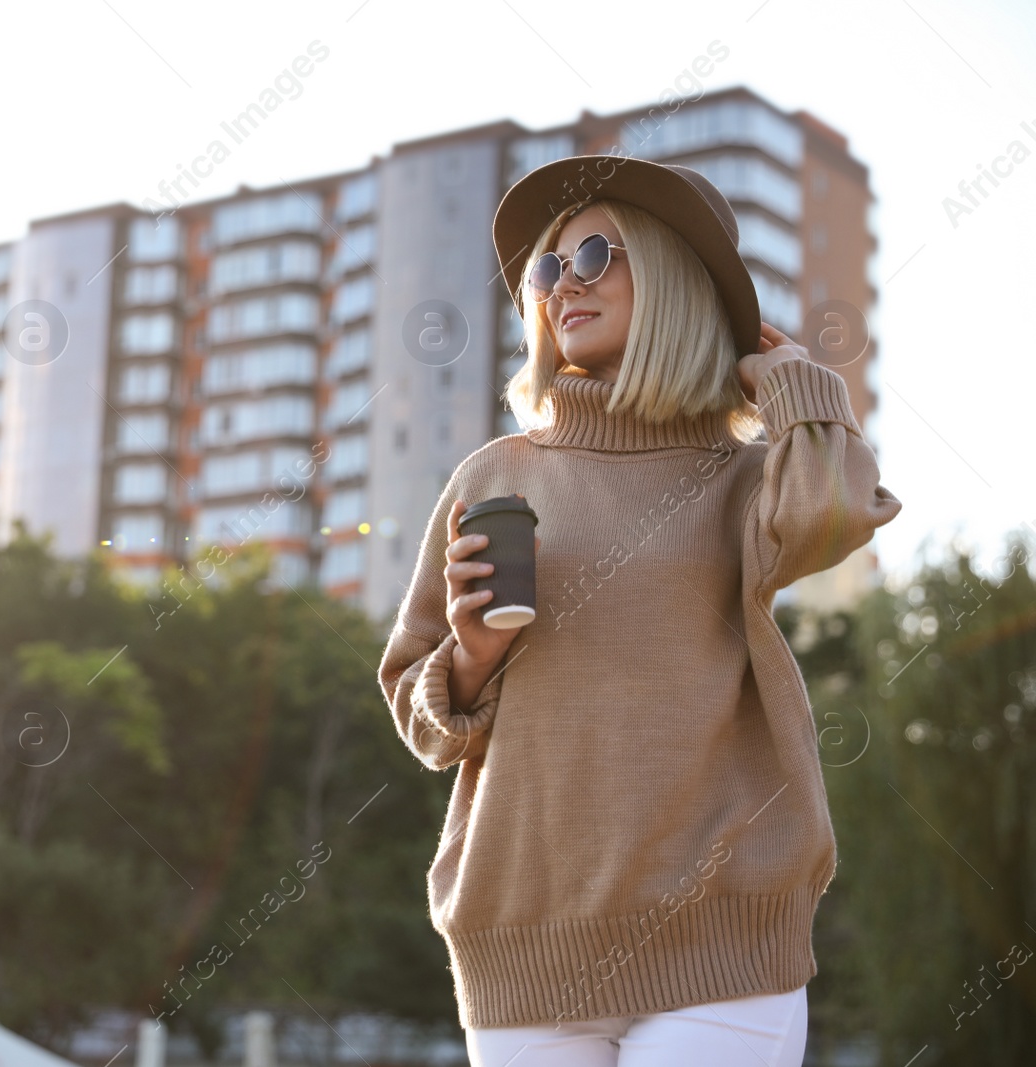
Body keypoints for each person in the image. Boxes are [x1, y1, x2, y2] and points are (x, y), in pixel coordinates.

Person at [377, 155, 903, 1066]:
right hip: (522, 939)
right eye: (545, 271)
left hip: (724, 934)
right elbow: (420, 717)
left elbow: (836, 510)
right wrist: (466, 658)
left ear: (672, 276)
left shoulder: (744, 479)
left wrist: (788, 379)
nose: (560, 286)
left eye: (592, 256)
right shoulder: (493, 476)